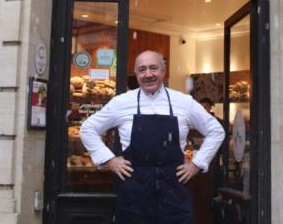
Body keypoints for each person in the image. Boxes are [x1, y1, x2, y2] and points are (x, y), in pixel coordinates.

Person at [80, 50, 226, 224]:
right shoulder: (122, 102)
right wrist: (109, 160)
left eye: (153, 68)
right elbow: (88, 128)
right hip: (134, 194)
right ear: (136, 74)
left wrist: (197, 163)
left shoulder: (183, 102)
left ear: (163, 71)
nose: (148, 74)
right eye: (142, 69)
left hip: (173, 192)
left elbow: (216, 130)